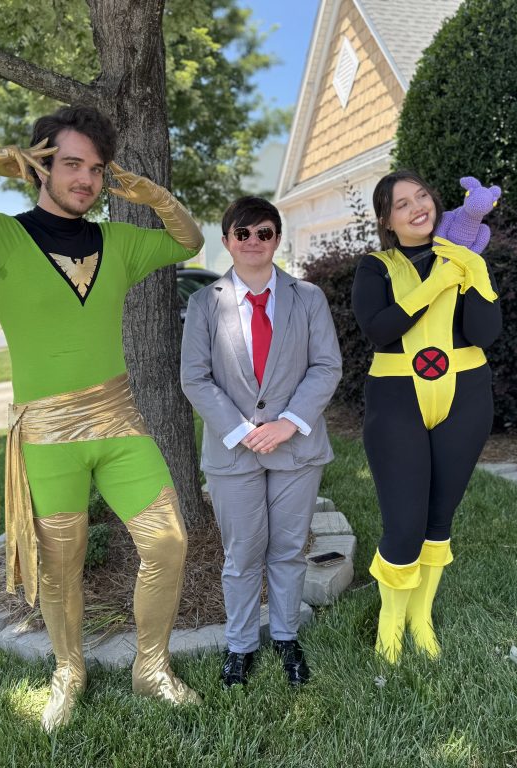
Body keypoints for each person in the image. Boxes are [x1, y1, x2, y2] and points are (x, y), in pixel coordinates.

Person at [0, 106, 204, 731]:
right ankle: (68, 667)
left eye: (97, 169)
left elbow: (189, 241)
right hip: (48, 435)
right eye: (71, 164)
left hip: (119, 421)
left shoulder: (120, 242)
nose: (87, 180)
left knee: (168, 541)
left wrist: (154, 195)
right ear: (39, 165)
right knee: (61, 564)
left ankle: (151, 667)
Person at [180, 196, 342, 687]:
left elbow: (326, 366)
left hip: (295, 446)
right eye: (243, 233)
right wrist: (243, 431)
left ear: (277, 239)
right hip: (234, 449)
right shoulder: (203, 303)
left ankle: (287, 636)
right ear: (227, 240)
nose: (254, 241)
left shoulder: (308, 297)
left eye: (265, 232)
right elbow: (195, 377)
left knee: (289, 549)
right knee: (244, 552)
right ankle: (241, 644)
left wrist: (288, 423)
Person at [351, 170, 502, 663]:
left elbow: (484, 333)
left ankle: (423, 617)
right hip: (397, 399)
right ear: (387, 221)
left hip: (466, 395)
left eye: (422, 196)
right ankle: (390, 627)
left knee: (440, 517)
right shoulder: (375, 268)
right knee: (405, 520)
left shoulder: (464, 255)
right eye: (402, 204)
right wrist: (435, 283)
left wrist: (474, 274)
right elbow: (379, 329)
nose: (418, 207)